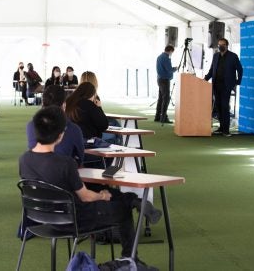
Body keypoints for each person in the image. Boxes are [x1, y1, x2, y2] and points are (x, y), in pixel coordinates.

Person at [19, 106, 161, 268]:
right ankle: (130, 258)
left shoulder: (24, 159)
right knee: (121, 209)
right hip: (74, 220)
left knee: (107, 193)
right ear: (60, 135)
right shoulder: (66, 164)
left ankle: (134, 202)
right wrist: (102, 196)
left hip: (41, 217)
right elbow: (85, 196)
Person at [27, 85, 84, 166]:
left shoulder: (30, 126)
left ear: (43, 103)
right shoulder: (73, 129)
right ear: (64, 105)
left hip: (34, 173)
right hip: (63, 173)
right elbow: (80, 159)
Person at [204, 38, 243, 137]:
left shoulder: (233, 56)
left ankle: (226, 130)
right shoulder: (216, 56)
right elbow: (212, 69)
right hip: (216, 85)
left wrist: (237, 82)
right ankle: (221, 128)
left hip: (227, 85)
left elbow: (240, 69)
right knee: (218, 107)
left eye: (223, 44)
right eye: (219, 44)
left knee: (225, 107)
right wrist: (205, 79)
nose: (221, 46)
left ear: (227, 45)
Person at [155, 45, 177, 124]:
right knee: (166, 98)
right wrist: (175, 68)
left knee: (161, 98)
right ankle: (163, 117)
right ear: (170, 50)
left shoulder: (159, 57)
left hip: (160, 79)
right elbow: (169, 69)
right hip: (164, 80)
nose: (172, 53)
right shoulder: (166, 58)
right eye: (172, 52)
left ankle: (157, 116)